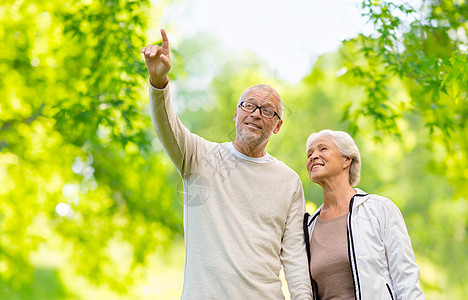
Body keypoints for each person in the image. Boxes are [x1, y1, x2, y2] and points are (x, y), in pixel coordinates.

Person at [141, 29, 312, 299]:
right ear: (235, 114)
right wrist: (158, 80)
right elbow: (167, 125)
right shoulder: (199, 158)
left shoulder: (288, 181)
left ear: (278, 125)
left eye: (267, 110)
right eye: (248, 106)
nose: (256, 114)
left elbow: (294, 255)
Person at [303, 129, 424, 300]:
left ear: (347, 159)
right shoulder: (309, 227)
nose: (313, 156)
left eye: (323, 149)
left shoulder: (379, 209)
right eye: (309, 153)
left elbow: (406, 278)